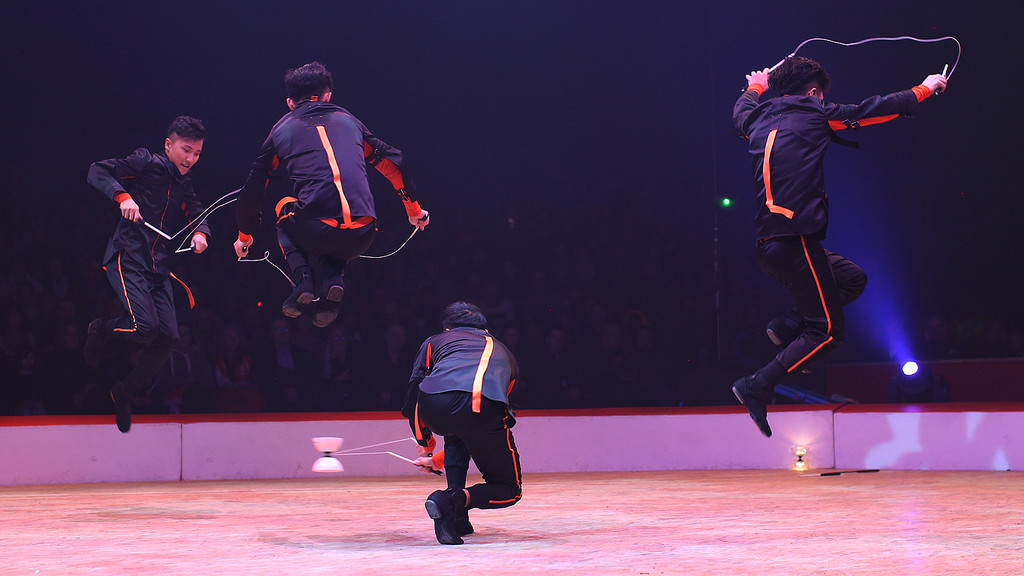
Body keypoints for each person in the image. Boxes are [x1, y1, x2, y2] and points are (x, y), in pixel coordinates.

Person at [730, 57, 948, 437]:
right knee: (828, 332)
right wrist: (927, 88)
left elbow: (740, 111)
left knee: (852, 278)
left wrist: (757, 85)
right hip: (794, 241)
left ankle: (787, 326)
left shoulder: (757, 118)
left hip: (770, 245)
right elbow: (877, 109)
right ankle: (757, 385)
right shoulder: (815, 114)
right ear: (814, 92)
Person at [233, 61, 429, 329]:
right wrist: (414, 210)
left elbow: (253, 191)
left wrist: (245, 236)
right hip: (363, 233)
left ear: (290, 102)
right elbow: (394, 162)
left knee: (285, 206)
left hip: (316, 231)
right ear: (328, 96)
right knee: (335, 217)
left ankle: (303, 281)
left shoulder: (281, 130)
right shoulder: (349, 120)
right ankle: (334, 278)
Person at [84, 116, 210, 432]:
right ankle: (100, 329)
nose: (191, 159)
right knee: (146, 327)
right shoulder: (145, 162)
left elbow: (198, 213)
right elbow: (97, 170)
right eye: (186, 150)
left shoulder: (184, 182)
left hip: (159, 267)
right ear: (168, 145)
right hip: (128, 257)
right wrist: (122, 196)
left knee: (168, 337)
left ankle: (125, 390)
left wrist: (201, 234)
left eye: (196, 153)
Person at [401, 302, 522, 545]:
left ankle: (457, 518)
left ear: (447, 329)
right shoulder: (502, 350)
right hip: (481, 406)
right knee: (510, 489)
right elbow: (484, 420)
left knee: (457, 431)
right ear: (485, 328)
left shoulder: (434, 341)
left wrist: (426, 444)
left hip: (434, 407)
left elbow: (415, 392)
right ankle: (451, 502)